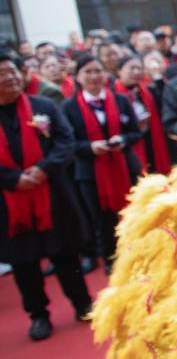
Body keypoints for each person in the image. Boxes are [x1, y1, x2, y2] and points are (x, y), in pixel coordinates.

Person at [0, 54, 94, 341]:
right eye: (3, 74)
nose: (11, 78)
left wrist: (42, 169)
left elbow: (65, 141)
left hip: (52, 193)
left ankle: (82, 303)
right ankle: (38, 315)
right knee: (24, 263)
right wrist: (14, 179)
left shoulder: (43, 106)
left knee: (65, 253)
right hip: (11, 202)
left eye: (14, 72)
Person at [62, 54, 141, 275]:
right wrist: (89, 147)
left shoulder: (121, 100)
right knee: (102, 219)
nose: (94, 76)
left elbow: (135, 132)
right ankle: (111, 259)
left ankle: (139, 254)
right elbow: (68, 142)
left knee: (133, 212)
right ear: (77, 77)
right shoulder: (69, 107)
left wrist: (123, 140)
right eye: (88, 72)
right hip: (90, 173)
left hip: (124, 166)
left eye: (97, 71)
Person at [115, 55, 172, 175]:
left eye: (139, 68)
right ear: (119, 71)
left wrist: (157, 78)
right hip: (129, 147)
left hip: (151, 141)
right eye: (132, 68)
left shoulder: (148, 91)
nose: (136, 72)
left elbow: (165, 100)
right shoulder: (113, 96)